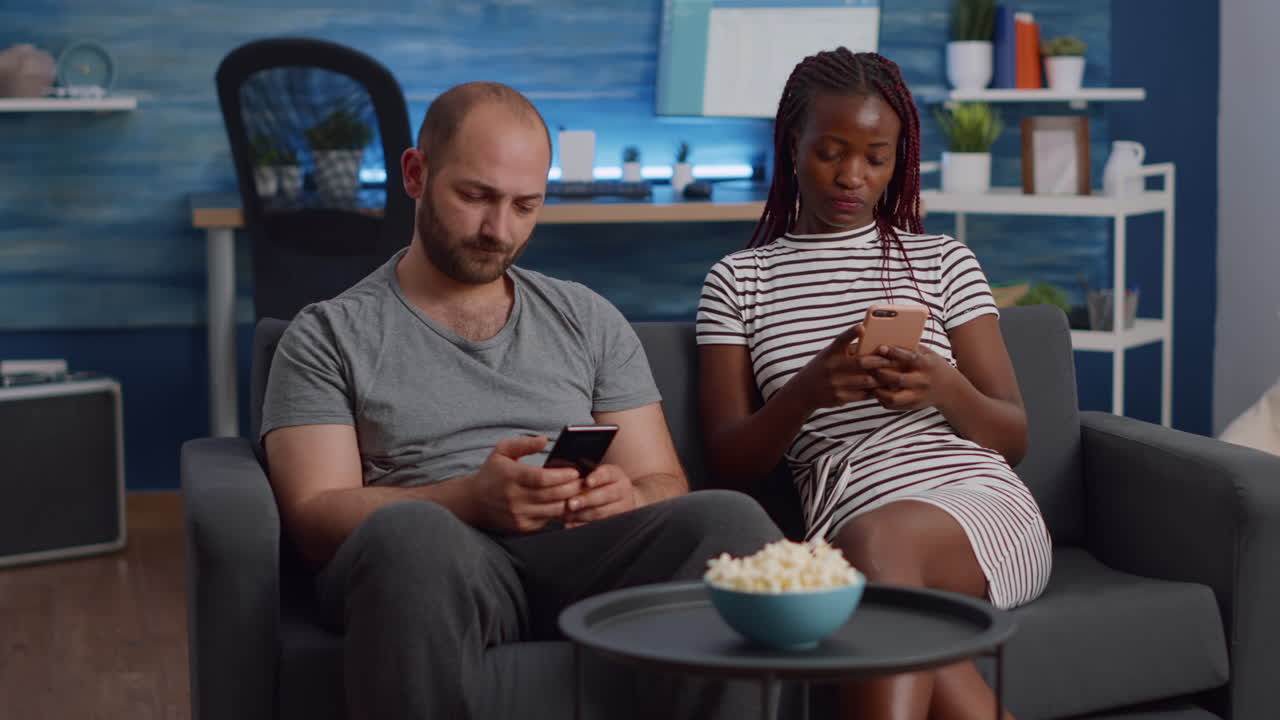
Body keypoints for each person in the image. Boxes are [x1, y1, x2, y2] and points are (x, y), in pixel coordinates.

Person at [261, 81, 781, 719]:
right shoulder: (327, 334)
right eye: (474, 196)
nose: (497, 229)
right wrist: (468, 498)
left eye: (524, 205)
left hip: (584, 552)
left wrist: (630, 495)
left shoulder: (585, 316)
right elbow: (313, 522)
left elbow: (664, 480)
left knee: (732, 520)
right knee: (412, 535)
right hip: (441, 558)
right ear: (416, 173)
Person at [696, 48, 1052, 720]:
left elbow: (1014, 436)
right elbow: (728, 459)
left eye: (876, 157)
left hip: (974, 509)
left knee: (875, 552)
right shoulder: (737, 282)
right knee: (905, 616)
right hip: (845, 521)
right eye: (830, 151)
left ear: (899, 161)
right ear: (791, 148)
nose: (852, 176)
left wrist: (944, 388)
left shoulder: (942, 261)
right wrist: (808, 391)